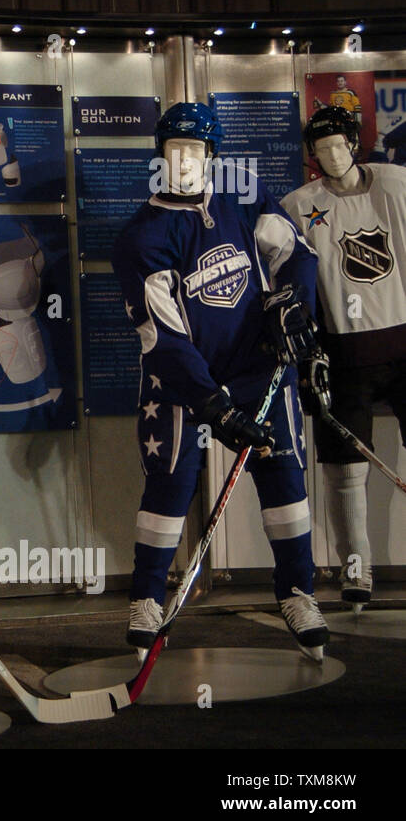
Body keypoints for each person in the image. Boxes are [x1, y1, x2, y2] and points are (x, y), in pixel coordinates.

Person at [113, 102, 330, 662]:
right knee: (168, 487)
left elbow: (297, 256)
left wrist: (292, 306)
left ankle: (298, 592)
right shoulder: (141, 236)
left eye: (197, 150)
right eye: (174, 150)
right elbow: (161, 336)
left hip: (260, 371)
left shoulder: (243, 196)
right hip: (183, 386)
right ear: (159, 156)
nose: (185, 160)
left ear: (212, 156)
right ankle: (145, 598)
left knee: (284, 479)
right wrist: (211, 403)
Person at [280, 105, 406, 611]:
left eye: (338, 143)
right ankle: (356, 569)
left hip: (403, 348)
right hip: (342, 354)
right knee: (344, 470)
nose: (331, 154)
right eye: (321, 146)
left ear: (354, 142)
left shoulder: (397, 184)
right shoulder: (299, 204)